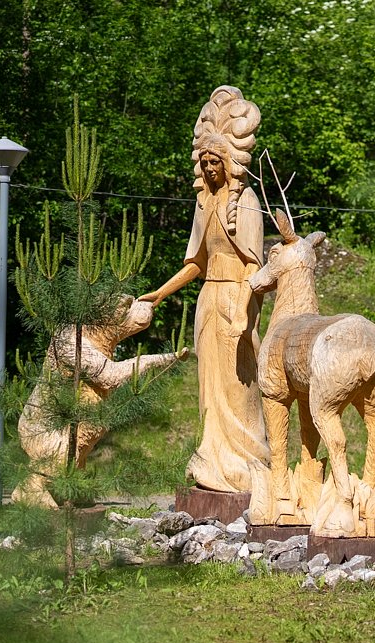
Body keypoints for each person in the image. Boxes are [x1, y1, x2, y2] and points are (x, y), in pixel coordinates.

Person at [139, 86, 270, 493]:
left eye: (216, 162)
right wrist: (160, 293)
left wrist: (243, 312)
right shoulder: (203, 205)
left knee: (238, 385)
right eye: (205, 162)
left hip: (237, 299)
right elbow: (196, 263)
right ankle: (212, 459)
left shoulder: (246, 201)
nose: (210, 168)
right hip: (208, 299)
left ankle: (247, 463)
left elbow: (255, 265)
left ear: (230, 163)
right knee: (209, 387)